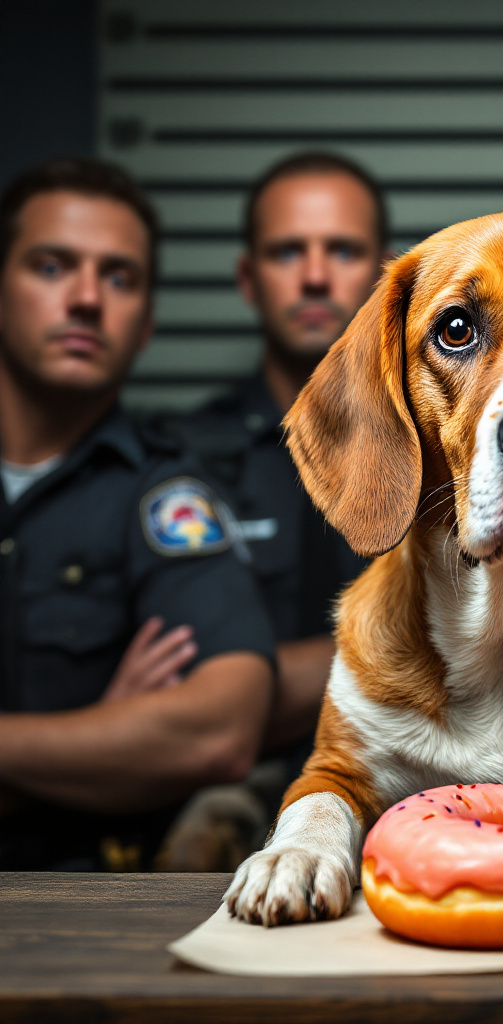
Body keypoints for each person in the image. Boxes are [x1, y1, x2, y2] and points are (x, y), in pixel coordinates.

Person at [0, 158, 276, 870]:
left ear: (148, 321)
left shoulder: (167, 496)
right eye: (52, 266)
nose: (87, 299)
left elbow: (219, 729)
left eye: (119, 277)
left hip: (77, 907)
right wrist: (94, 740)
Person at [153, 154, 385, 869]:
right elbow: (189, 706)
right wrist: (420, 653)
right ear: (249, 279)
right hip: (227, 808)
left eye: (342, 250)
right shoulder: (178, 458)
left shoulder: (447, 447)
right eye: (289, 251)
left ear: (386, 278)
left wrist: (254, 678)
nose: (315, 277)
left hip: (422, 792)